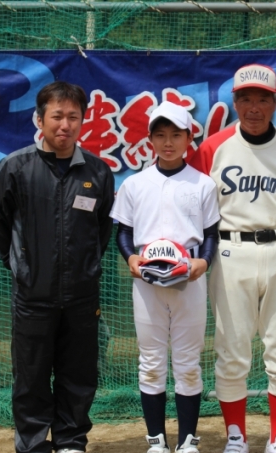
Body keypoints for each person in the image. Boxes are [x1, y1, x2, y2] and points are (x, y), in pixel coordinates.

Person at [189, 64, 276, 453]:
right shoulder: (213, 148)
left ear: (275, 102)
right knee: (231, 350)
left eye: (262, 99)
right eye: (245, 99)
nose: (253, 107)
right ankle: (237, 436)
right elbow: (195, 205)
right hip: (231, 251)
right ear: (234, 102)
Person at [0, 81, 115, 453]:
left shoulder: (97, 172)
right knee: (31, 376)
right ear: (39, 120)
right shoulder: (16, 167)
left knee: (79, 373)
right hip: (32, 296)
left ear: (82, 121)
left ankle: (71, 440)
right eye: (57, 116)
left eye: (73, 117)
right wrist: (19, 266)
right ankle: (32, 443)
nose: (65, 125)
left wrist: (85, 267)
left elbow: (102, 229)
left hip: (81, 297)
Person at [110, 101, 220, 453]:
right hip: (146, 282)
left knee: (188, 363)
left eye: (176, 135)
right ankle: (156, 440)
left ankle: (187, 441)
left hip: (189, 279)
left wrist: (204, 262)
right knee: (151, 361)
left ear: (189, 138)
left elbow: (211, 233)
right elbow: (123, 232)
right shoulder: (134, 184)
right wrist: (131, 257)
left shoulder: (202, 184)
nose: (168, 142)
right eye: (160, 135)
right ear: (150, 139)